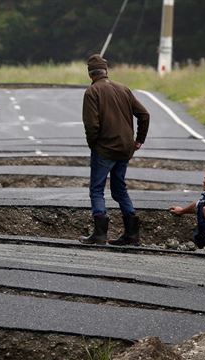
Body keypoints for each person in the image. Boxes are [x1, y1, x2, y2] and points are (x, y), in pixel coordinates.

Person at [79, 54, 150, 246]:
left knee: (96, 189)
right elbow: (144, 115)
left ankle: (100, 234)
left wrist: (93, 144)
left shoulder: (92, 92)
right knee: (119, 189)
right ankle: (132, 234)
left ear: (90, 74)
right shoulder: (123, 89)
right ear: (106, 71)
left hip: (105, 149)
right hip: (125, 149)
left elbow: (91, 125)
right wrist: (138, 140)